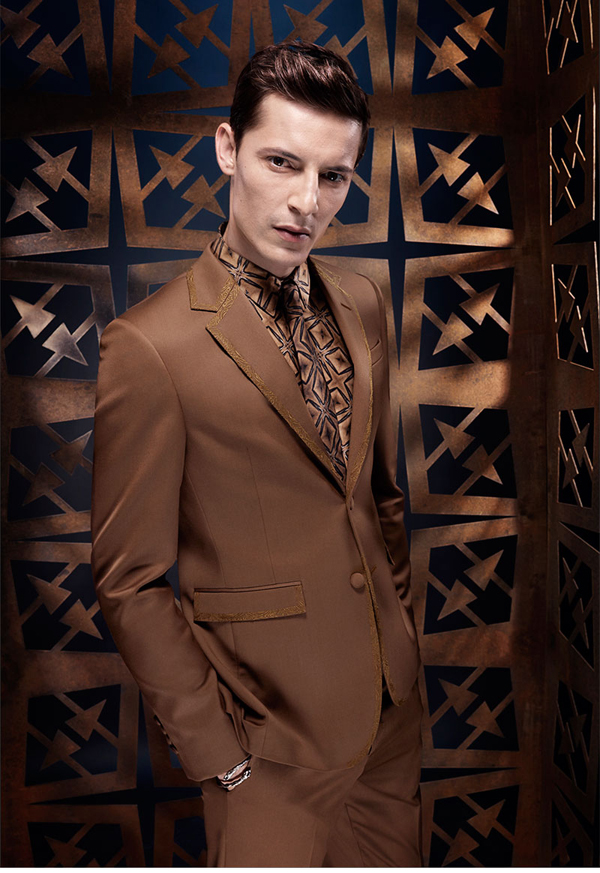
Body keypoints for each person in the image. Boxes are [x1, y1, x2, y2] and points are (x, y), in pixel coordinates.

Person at [91, 40, 422, 867]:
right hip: (267, 754)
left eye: (334, 176)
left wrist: (402, 643)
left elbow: (378, 499)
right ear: (228, 148)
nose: (307, 201)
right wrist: (220, 755)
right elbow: (129, 580)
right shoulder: (149, 346)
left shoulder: (363, 301)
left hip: (390, 727)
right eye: (282, 162)